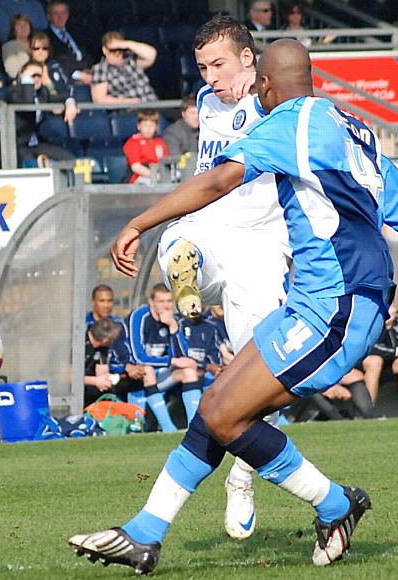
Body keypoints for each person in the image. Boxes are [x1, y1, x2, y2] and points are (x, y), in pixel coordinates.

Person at [69, 39, 398, 573]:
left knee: (227, 414)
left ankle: (336, 504)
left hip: (338, 310)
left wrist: (140, 222)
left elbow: (216, 182)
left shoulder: (287, 126)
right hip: (321, 303)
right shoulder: (355, 129)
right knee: (214, 408)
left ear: (268, 87)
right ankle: (144, 533)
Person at [156, 16, 291, 541]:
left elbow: (296, 67)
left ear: (250, 58)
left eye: (219, 64)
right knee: (177, 241)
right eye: (203, 67)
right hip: (214, 225)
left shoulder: (273, 99)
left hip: (260, 244)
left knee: (265, 383)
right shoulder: (209, 100)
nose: (210, 76)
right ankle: (186, 279)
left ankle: (242, 474)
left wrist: (261, 85)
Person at [125, 283, 200, 432]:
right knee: (148, 370)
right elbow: (138, 357)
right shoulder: (140, 316)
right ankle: (168, 429)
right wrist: (172, 361)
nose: (166, 306)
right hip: (134, 375)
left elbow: (182, 356)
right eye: (161, 302)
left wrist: (173, 327)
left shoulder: (174, 319)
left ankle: (195, 428)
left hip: (160, 374)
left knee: (189, 371)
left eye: (168, 301)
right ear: (152, 302)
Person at [86, 285, 151, 404]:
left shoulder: (119, 326)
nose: (106, 305)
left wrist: (129, 367)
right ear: (93, 302)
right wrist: (125, 367)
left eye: (110, 301)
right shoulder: (84, 326)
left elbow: (126, 352)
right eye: (102, 301)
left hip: (120, 376)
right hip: (91, 379)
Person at [6, 60, 79, 166]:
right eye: (32, 75)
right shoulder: (13, 91)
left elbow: (62, 98)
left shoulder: (43, 92)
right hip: (17, 144)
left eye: (39, 76)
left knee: (69, 159)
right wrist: (26, 81)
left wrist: (70, 103)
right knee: (32, 165)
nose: (36, 79)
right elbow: (28, 104)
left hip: (36, 142)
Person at [362, 305, 398, 416]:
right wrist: (384, 326)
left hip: (388, 360)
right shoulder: (366, 314)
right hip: (363, 361)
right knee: (375, 361)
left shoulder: (394, 316)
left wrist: (390, 327)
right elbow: (370, 347)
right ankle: (369, 412)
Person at [91, 31, 158, 104]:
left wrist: (126, 44)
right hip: (129, 110)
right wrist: (131, 102)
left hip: (153, 104)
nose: (117, 53)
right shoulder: (100, 69)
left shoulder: (131, 60)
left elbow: (152, 55)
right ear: (105, 50)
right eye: (113, 50)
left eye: (120, 49)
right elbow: (99, 100)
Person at [45, 0, 94, 86]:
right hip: (67, 78)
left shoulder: (76, 31)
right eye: (56, 13)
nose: (60, 16)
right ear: (49, 16)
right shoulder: (46, 37)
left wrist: (90, 69)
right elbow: (54, 60)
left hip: (88, 73)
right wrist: (78, 74)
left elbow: (86, 53)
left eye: (63, 12)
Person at [84, 318, 122, 407]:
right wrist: (95, 381)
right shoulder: (79, 344)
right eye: (114, 339)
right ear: (105, 340)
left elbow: (102, 369)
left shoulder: (103, 348)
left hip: (92, 394)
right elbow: (66, 376)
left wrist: (105, 379)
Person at [123, 111, 168, 185]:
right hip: (139, 178)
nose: (148, 129)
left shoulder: (160, 142)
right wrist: (155, 176)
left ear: (156, 127)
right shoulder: (133, 142)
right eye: (145, 125)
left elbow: (165, 163)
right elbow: (136, 167)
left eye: (152, 126)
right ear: (138, 126)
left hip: (159, 174)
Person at [2, 14, 33, 80]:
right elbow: (13, 72)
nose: (23, 27)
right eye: (19, 25)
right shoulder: (8, 46)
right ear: (13, 29)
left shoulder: (37, 43)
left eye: (26, 24)